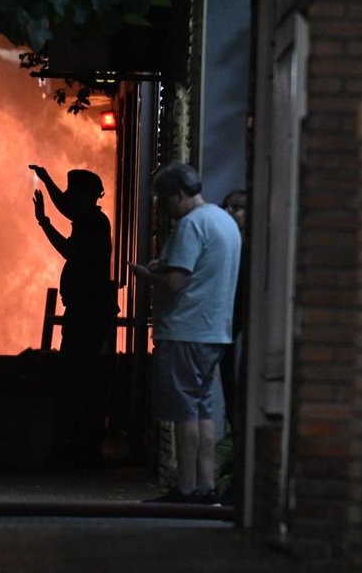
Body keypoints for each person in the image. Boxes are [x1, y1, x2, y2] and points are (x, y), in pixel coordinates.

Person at [129, 162, 241, 503]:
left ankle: (187, 486)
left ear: (178, 194)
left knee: (184, 412)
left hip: (186, 330)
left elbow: (177, 281)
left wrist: (147, 275)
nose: (165, 208)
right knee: (203, 409)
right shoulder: (223, 221)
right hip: (213, 331)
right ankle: (205, 485)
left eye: (165, 200)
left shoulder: (191, 225)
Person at [30, 164, 117, 471]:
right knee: (80, 380)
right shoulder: (90, 219)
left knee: (79, 381)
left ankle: (78, 451)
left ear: (84, 195)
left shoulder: (92, 223)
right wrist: (46, 181)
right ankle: (80, 449)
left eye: (71, 191)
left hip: (86, 315)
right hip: (85, 312)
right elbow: (67, 208)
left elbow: (69, 250)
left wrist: (44, 222)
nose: (67, 197)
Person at [219, 189, 248, 432]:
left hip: (241, 323)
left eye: (236, 208)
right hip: (226, 325)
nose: (229, 212)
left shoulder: (253, 249)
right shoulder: (226, 245)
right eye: (226, 207)